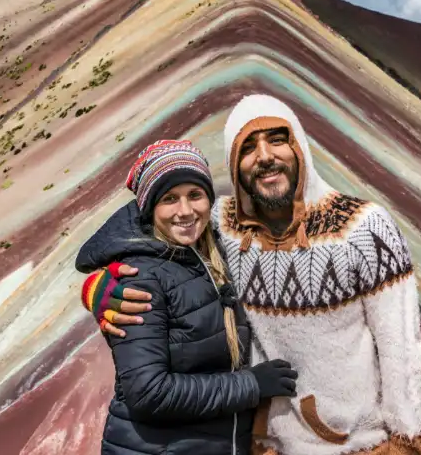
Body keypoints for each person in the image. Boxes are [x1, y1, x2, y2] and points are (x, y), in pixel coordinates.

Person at [80, 95, 421, 455]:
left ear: (299, 147)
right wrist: (98, 288)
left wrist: (406, 439)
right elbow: (148, 235)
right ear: (234, 165)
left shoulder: (363, 228)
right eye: (247, 147)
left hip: (353, 445)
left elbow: (400, 344)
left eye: (277, 139)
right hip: (259, 445)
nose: (264, 156)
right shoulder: (221, 227)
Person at [75, 138, 300, 455]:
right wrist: (251, 384)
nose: (185, 211)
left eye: (195, 195)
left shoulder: (213, 253)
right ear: (150, 207)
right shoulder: (138, 279)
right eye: (169, 198)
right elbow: (149, 392)